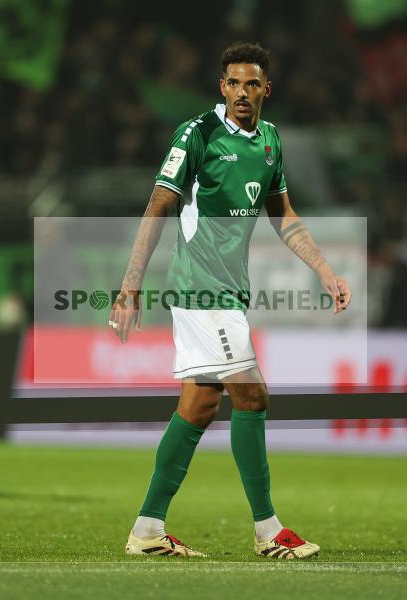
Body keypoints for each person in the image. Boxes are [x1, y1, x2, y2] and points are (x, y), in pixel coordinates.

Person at [110, 42, 351, 559]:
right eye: (234, 83)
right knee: (252, 394)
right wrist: (130, 284)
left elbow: (282, 215)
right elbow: (158, 206)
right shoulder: (196, 135)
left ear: (267, 89)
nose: (243, 93)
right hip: (201, 291)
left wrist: (325, 270)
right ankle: (269, 531)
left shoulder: (269, 142)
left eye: (252, 84)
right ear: (223, 87)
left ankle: (147, 530)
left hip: (228, 295)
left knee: (198, 406)